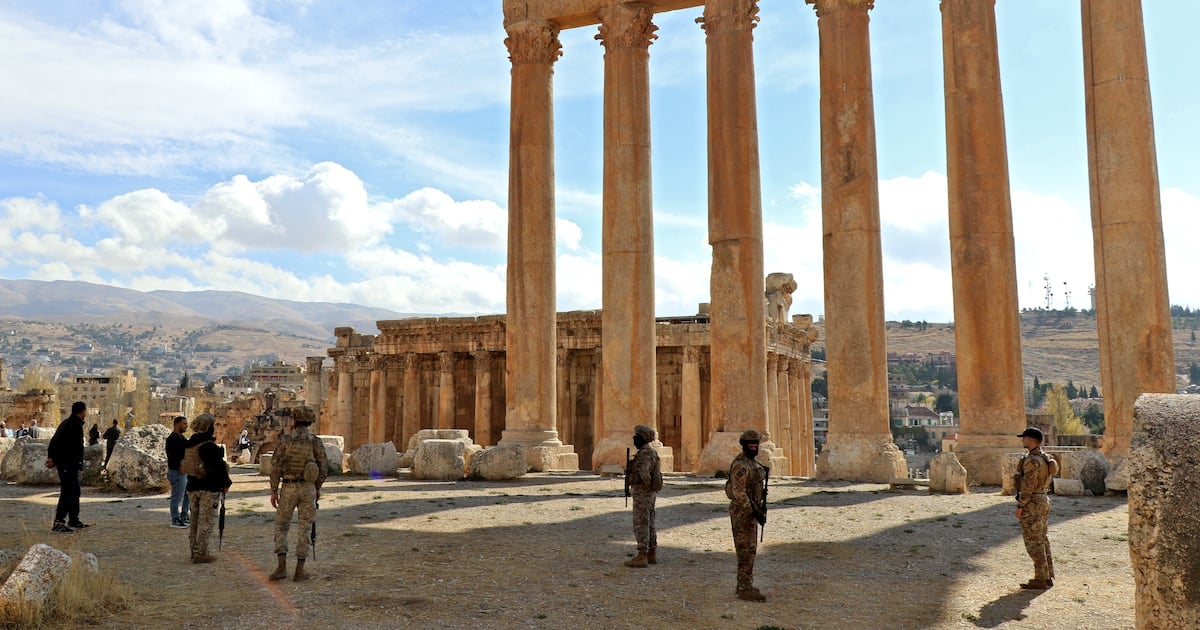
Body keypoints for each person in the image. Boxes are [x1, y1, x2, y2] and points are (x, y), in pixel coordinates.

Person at [268, 406, 327, 581]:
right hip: (308, 487)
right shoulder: (315, 441)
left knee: (281, 526)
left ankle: (281, 567)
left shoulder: (285, 441)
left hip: (288, 486)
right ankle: (300, 570)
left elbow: (276, 466)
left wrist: (273, 490)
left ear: (294, 421)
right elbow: (323, 468)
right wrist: (317, 488)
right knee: (305, 527)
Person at [726, 429, 768, 602]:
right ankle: (744, 588)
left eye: (756, 445)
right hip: (742, 513)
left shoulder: (753, 463)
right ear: (744, 446)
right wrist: (754, 511)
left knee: (750, 550)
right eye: (750, 445)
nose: (754, 447)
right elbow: (739, 492)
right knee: (745, 550)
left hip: (751, 512)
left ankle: (744, 583)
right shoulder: (741, 465)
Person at [1014, 427, 1057, 590]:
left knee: (1033, 541)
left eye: (1024, 438)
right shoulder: (1045, 458)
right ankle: (1047, 576)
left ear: (1031, 440)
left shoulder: (1032, 460)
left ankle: (1040, 578)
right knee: (1042, 539)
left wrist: (1021, 505)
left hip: (1033, 503)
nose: (1022, 440)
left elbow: (1028, 485)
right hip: (1043, 499)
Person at [185, 414, 231, 563]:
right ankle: (201, 552)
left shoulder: (190, 443)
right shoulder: (209, 446)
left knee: (195, 520)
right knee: (206, 521)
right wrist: (225, 483)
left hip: (192, 487)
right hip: (209, 489)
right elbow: (219, 467)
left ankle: (194, 550)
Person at [45, 402, 89, 533]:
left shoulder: (68, 423)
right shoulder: (73, 425)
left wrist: (52, 457)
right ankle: (58, 522)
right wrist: (53, 459)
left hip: (70, 464)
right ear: (82, 411)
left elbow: (55, 441)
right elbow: (60, 444)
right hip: (67, 465)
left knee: (74, 492)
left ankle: (73, 519)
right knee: (67, 492)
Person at [623, 424, 662, 568]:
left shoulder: (645, 453)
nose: (634, 439)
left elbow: (644, 473)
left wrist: (643, 486)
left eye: (637, 436)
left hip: (643, 493)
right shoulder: (651, 452)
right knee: (650, 522)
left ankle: (642, 555)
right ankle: (651, 552)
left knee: (641, 523)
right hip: (649, 493)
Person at [165, 416, 191, 529]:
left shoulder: (181, 438)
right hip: (177, 471)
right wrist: (180, 466)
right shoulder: (173, 439)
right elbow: (173, 455)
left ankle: (184, 516)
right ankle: (175, 518)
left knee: (187, 495)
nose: (186, 426)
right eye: (184, 423)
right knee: (176, 497)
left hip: (182, 471)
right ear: (177, 424)